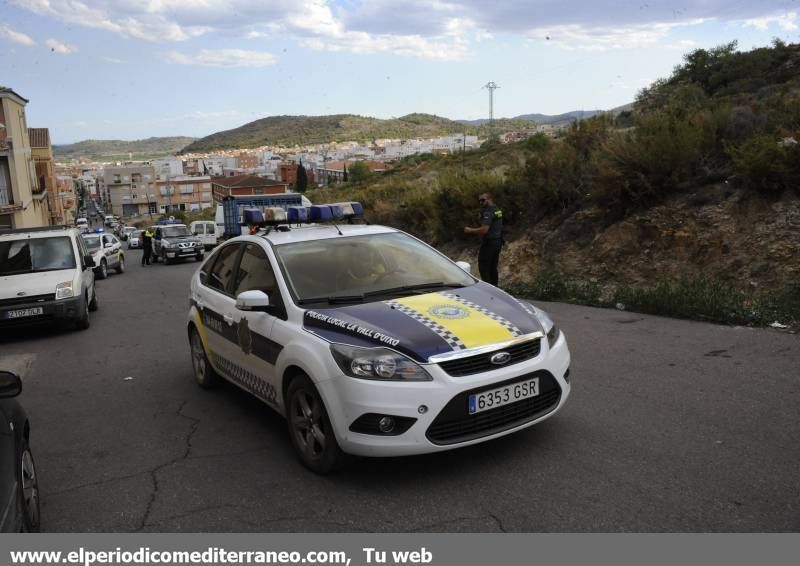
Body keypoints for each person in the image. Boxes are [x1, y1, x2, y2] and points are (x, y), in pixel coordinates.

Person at [464, 192, 503, 286]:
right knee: (492, 267)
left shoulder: (488, 211)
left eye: (483, 200)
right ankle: (495, 288)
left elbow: (484, 229)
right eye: (479, 201)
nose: (481, 202)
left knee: (484, 267)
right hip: (498, 241)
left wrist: (470, 230)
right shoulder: (497, 209)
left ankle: (488, 289)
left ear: (489, 199)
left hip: (489, 243)